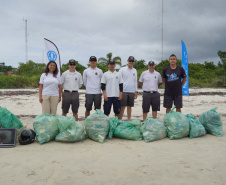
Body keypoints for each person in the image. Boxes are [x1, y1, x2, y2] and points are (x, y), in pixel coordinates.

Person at [118, 56, 138, 120]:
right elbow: (118, 80)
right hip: (124, 90)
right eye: (130, 61)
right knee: (122, 107)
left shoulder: (135, 70)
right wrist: (119, 91)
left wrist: (136, 91)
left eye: (132, 61)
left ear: (134, 62)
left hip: (132, 91)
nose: (131, 62)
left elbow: (135, 81)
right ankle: (119, 120)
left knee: (129, 107)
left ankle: (129, 119)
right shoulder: (122, 69)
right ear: (127, 61)